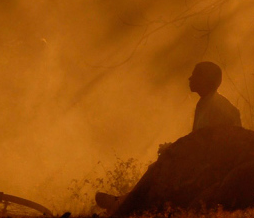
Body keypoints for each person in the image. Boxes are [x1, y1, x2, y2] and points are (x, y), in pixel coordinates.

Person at [96, 61, 244, 212]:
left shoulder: (218, 107)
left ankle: (123, 204)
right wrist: (174, 148)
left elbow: (213, 146)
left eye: (194, 75)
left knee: (158, 167)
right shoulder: (205, 103)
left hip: (212, 167)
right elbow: (197, 141)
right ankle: (124, 202)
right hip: (203, 162)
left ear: (205, 79)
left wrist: (176, 151)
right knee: (161, 164)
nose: (189, 78)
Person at [189, 61, 241, 131]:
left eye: (194, 75)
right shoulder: (203, 103)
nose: (190, 78)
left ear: (204, 80)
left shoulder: (220, 109)